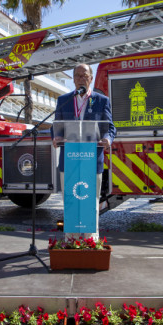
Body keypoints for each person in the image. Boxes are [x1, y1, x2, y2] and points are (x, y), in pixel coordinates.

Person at [52, 63, 116, 240]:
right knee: (70, 202)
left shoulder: (102, 101)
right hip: (69, 159)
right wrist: (56, 137)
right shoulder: (63, 100)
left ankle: (90, 241)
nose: (81, 79)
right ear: (73, 79)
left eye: (85, 75)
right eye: (78, 76)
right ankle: (71, 240)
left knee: (91, 203)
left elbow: (110, 128)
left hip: (92, 159)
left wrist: (107, 139)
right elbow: (56, 126)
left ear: (91, 78)